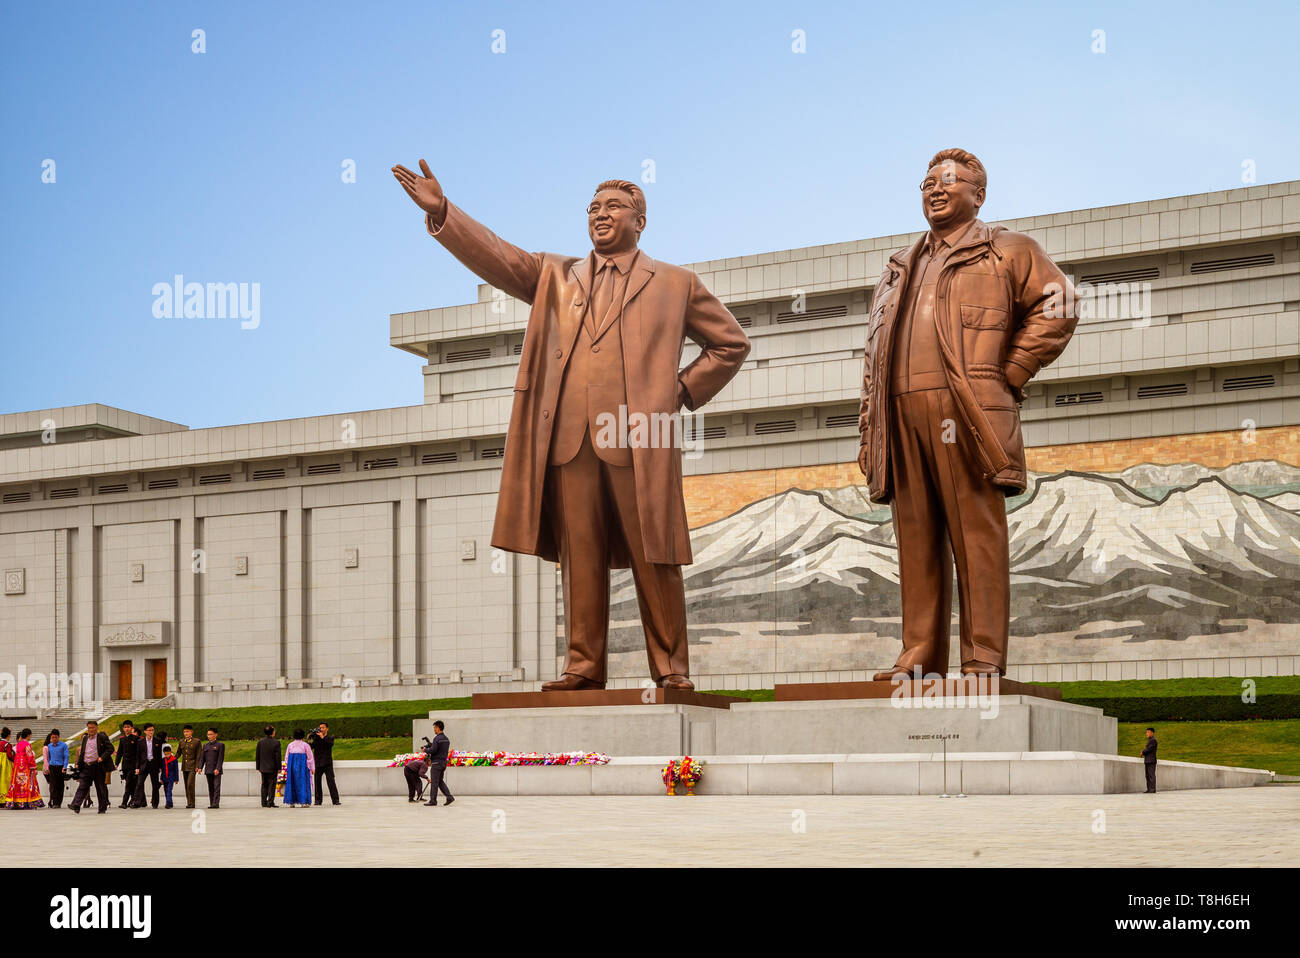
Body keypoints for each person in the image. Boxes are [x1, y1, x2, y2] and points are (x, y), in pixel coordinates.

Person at [392, 163, 749, 692]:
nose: (600, 215)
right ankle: (582, 667)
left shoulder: (676, 283)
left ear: (640, 221)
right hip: (568, 441)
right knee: (579, 558)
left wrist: (675, 392)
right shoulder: (554, 276)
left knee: (655, 553)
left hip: (638, 439)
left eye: (613, 207)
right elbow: (498, 257)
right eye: (593, 208)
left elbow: (731, 344)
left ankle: (671, 668)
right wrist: (445, 212)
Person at [858, 149, 1078, 679]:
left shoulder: (1009, 249)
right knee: (916, 541)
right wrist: (870, 427)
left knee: (976, 536)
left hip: (966, 411)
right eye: (927, 182)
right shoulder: (898, 268)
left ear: (978, 195)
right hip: (900, 414)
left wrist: (1013, 370)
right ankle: (919, 657)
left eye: (949, 181)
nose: (935, 188)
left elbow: (1060, 303)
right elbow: (872, 358)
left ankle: (982, 657)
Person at [69, 720, 114, 814]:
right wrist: (79, 765)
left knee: (100, 787)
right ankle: (76, 804)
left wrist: (102, 757)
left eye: (93, 727)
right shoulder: (85, 738)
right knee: (82, 786)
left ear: (96, 728)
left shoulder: (101, 737)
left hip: (98, 766)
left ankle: (102, 808)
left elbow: (111, 748)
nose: (91, 730)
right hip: (86, 766)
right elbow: (83, 752)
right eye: (89, 728)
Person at [5, 729, 44, 809]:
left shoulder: (18, 744)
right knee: (27, 783)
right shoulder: (27, 744)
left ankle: (18, 802)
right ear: (28, 735)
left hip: (17, 766)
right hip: (25, 767)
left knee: (18, 784)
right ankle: (27, 801)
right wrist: (34, 767)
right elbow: (30, 756)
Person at [423, 720, 454, 808]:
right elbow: (439, 749)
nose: (434, 730)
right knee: (440, 781)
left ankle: (433, 801)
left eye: (435, 728)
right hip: (443, 763)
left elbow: (433, 750)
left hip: (436, 763)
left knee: (434, 782)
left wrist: (425, 750)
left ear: (438, 728)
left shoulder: (437, 738)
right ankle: (449, 797)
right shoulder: (446, 739)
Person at [307, 723, 340, 805]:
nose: (321, 729)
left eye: (323, 728)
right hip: (318, 763)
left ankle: (335, 800)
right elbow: (311, 747)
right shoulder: (316, 738)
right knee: (317, 782)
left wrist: (322, 737)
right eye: (320, 728)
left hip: (327, 763)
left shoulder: (330, 737)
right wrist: (308, 741)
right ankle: (318, 801)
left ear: (327, 729)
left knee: (331, 781)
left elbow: (330, 744)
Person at [132, 723, 163, 808]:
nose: (151, 732)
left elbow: (159, 755)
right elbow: (138, 756)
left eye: (152, 730)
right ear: (145, 731)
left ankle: (155, 803)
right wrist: (137, 767)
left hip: (154, 764)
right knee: (139, 783)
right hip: (143, 765)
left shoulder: (157, 741)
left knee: (155, 785)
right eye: (149, 730)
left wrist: (160, 766)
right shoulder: (140, 742)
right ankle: (136, 802)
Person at [282, 730, 314, 807]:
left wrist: (289, 766)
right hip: (303, 767)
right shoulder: (305, 745)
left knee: (292, 783)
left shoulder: (290, 745)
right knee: (303, 783)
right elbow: (310, 758)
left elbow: (286, 758)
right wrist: (312, 767)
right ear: (303, 736)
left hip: (292, 766)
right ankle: (303, 802)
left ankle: (291, 802)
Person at [114, 719, 140, 808]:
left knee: (128, 784)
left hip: (133, 765)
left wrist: (137, 766)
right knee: (130, 784)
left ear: (132, 728)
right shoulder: (122, 739)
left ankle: (124, 802)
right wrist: (116, 763)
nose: (127, 729)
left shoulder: (136, 739)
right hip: (125, 765)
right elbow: (119, 753)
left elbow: (138, 754)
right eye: (125, 727)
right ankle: (133, 801)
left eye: (128, 727)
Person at [175, 724, 202, 809]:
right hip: (185, 766)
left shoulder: (197, 742)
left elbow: (199, 755)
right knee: (186, 785)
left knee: (190, 784)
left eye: (187, 731)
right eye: (184, 732)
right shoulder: (181, 741)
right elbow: (178, 753)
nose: (186, 733)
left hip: (193, 766)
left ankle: (192, 803)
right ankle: (189, 802)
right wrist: (172, 759)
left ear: (191, 732)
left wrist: (197, 766)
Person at [255, 726, 282, 808]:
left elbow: (257, 755)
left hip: (263, 767)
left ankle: (263, 802)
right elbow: (278, 757)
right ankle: (270, 802)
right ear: (273, 732)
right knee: (272, 785)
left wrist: (258, 767)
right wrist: (279, 768)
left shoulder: (260, 742)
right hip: (272, 768)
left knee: (264, 785)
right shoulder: (276, 742)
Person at [42, 729, 70, 809]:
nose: (54, 739)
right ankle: (54, 802)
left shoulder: (63, 745)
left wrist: (65, 767)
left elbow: (66, 756)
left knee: (60, 785)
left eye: (56, 737)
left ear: (58, 737)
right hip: (52, 767)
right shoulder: (49, 746)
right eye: (53, 737)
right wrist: (48, 767)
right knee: (53, 785)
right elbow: (49, 757)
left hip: (61, 767)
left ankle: (58, 802)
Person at [199, 728, 225, 809]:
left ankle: (216, 803)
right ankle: (212, 803)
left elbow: (220, 758)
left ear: (216, 735)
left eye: (211, 734)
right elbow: (202, 758)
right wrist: (200, 767)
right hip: (208, 770)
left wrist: (218, 768)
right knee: (210, 788)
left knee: (216, 787)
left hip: (216, 770)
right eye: (208, 734)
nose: (209, 736)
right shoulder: (205, 746)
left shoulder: (220, 745)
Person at [160, 743, 179, 808]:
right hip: (164, 777)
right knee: (165, 790)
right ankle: (170, 803)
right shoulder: (163, 760)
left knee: (169, 790)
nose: (167, 755)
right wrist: (161, 778)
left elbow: (176, 770)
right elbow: (163, 770)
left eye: (168, 754)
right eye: (165, 754)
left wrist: (176, 779)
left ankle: (168, 803)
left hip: (171, 778)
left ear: (171, 752)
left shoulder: (174, 760)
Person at [1142, 727, 1159, 793]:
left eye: (1148, 732)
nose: (1147, 733)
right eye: (1146, 732)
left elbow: (1149, 749)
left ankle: (1152, 789)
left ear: (1152, 733)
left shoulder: (1153, 740)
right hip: (1148, 760)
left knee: (1151, 775)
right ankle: (1149, 789)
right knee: (1147, 776)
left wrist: (1142, 752)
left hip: (1151, 761)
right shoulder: (1150, 740)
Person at [0, 727, 14, 800]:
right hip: (5, 764)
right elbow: (9, 755)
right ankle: (5, 798)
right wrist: (14, 758)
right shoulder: (8, 745)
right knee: (6, 780)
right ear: (8, 735)